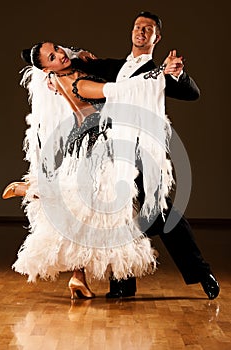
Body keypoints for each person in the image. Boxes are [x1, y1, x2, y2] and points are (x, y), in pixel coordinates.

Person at [3, 41, 178, 300]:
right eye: (53, 56)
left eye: (58, 49)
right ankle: (32, 189)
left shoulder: (67, 72)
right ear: (46, 69)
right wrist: (159, 72)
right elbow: (119, 90)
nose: (61, 55)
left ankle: (78, 277)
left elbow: (73, 56)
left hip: (98, 143)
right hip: (94, 149)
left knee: (84, 212)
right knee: (94, 210)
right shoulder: (76, 84)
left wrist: (81, 56)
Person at [69, 11, 220, 300]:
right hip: (112, 149)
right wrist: (66, 61)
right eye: (138, 26)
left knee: (160, 213)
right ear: (132, 32)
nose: (141, 31)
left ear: (156, 37)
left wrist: (176, 73)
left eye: (148, 29)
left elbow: (193, 93)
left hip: (142, 150)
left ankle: (201, 272)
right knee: (119, 214)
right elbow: (76, 64)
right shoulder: (116, 67)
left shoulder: (160, 72)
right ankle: (123, 282)